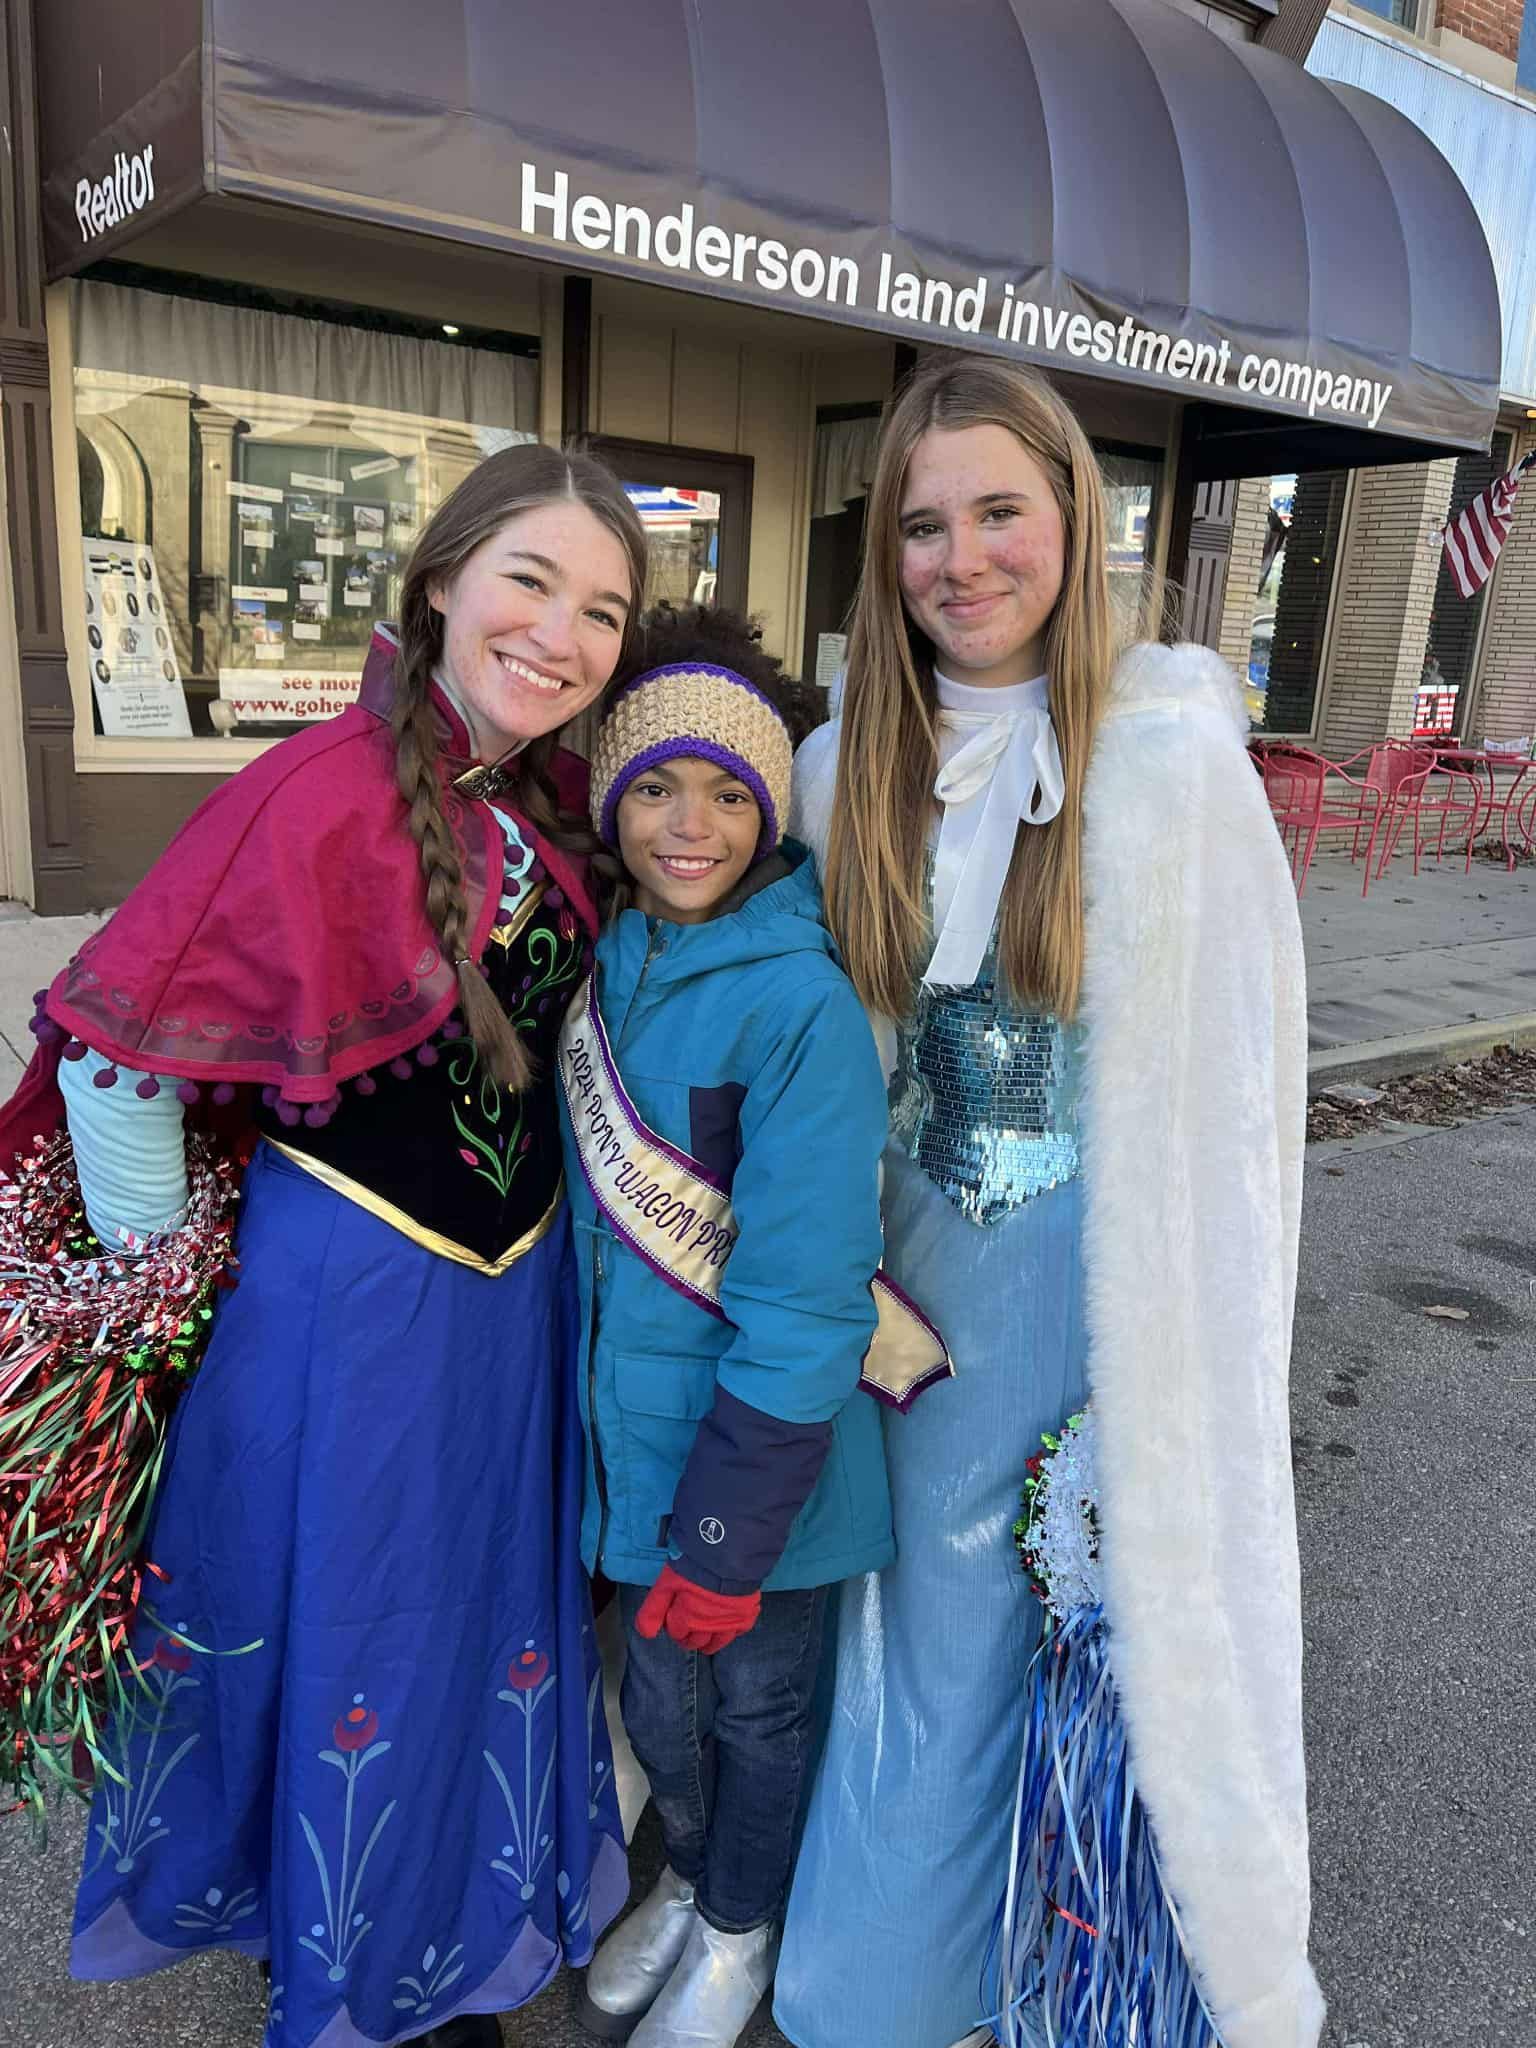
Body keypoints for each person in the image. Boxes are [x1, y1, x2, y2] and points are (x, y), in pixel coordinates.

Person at [7, 445, 648, 2048]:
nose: (559, 635)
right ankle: (346, 1960)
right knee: (352, 1621)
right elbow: (112, 1056)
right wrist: (163, 1300)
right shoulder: (307, 794)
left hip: (509, 1322)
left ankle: (439, 1935)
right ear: (439, 582)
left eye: (602, 611)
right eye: (530, 581)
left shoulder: (558, 806)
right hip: (342, 1316)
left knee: (476, 1622)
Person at [774, 356, 1323, 2048]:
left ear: (1077, 518)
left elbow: (1237, 1119)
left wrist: (1193, 1380)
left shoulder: (1171, 768)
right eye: (923, 525)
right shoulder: (832, 766)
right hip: (899, 1294)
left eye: (1000, 510)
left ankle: (1063, 1967)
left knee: (1068, 1629)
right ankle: (880, 1974)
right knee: (906, 1619)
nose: (962, 557)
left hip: (1096, 1306)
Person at [554, 606, 898, 2048]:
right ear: (607, 800)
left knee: (753, 1719)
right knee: (658, 1712)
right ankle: (694, 1884)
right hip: (632, 1453)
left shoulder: (800, 1001)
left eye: (728, 793)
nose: (688, 826)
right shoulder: (604, 966)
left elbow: (810, 1295)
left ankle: (739, 1931)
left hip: (760, 1479)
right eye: (653, 786)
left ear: (770, 814)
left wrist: (731, 1531)